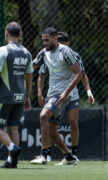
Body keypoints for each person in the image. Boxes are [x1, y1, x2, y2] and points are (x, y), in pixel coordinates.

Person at [31, 31, 95, 163]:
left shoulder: (68, 53)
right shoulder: (44, 53)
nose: (44, 43)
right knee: (52, 130)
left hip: (68, 94)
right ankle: (68, 156)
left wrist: (86, 91)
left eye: (46, 40)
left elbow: (80, 74)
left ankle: (45, 154)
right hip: (53, 94)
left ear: (55, 39)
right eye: (43, 40)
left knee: (57, 119)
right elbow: (33, 67)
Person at [0, 22, 33, 168]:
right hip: (20, 95)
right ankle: (12, 161)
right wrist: (27, 97)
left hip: (4, 96)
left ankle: (12, 148)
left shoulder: (2, 51)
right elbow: (29, 77)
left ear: (6, 34)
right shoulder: (27, 53)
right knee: (13, 127)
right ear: (20, 35)